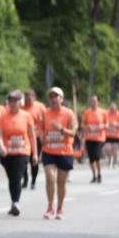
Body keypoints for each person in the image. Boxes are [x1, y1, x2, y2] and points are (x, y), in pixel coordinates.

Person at [0, 90, 37, 216]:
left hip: (23, 151)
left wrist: (35, 154)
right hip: (7, 153)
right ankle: (13, 202)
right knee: (11, 178)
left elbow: (32, 135)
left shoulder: (27, 116)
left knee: (17, 176)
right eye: (10, 100)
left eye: (15, 100)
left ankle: (16, 203)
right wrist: (1, 146)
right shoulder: (3, 117)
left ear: (20, 102)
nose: (13, 103)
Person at [40, 86, 77, 220]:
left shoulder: (69, 114)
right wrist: (42, 139)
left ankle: (60, 208)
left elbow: (73, 133)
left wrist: (61, 129)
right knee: (50, 177)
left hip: (64, 151)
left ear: (61, 99)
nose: (53, 99)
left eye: (56, 96)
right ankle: (50, 207)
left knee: (61, 182)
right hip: (49, 150)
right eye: (51, 96)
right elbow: (42, 130)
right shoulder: (45, 113)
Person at [22, 89, 46, 189]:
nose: (28, 100)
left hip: (37, 137)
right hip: (24, 138)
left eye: (30, 98)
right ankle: (25, 179)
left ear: (34, 97)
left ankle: (33, 181)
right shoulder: (22, 107)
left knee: (34, 159)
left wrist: (44, 135)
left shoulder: (40, 107)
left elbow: (46, 121)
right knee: (23, 159)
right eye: (26, 98)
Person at [82, 95, 108, 183]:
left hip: (99, 138)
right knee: (91, 158)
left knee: (97, 156)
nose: (93, 103)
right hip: (89, 138)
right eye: (91, 101)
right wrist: (87, 127)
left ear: (98, 102)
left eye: (95, 101)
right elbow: (83, 124)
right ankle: (94, 176)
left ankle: (99, 174)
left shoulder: (103, 112)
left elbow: (107, 124)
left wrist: (100, 127)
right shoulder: (87, 112)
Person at [104, 101, 119, 169]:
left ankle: (115, 162)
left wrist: (116, 124)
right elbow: (102, 121)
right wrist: (106, 125)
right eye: (111, 108)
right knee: (107, 148)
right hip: (107, 135)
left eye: (113, 108)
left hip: (116, 135)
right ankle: (110, 159)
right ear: (109, 107)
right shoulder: (106, 114)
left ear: (116, 108)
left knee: (115, 149)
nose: (112, 109)